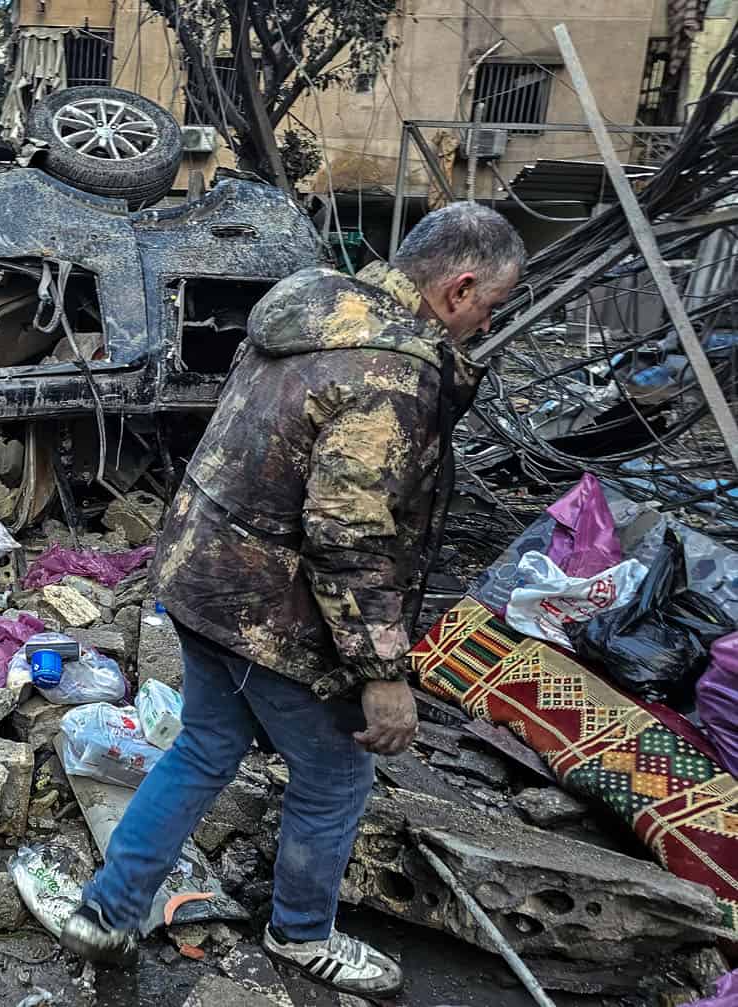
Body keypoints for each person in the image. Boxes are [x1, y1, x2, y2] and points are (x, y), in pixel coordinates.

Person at [59, 203, 526, 996]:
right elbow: (350, 535)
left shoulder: (318, 302)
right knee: (337, 771)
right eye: (491, 305)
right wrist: (382, 673)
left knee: (207, 746)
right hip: (263, 604)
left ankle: (104, 913)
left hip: (200, 574)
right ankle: (302, 932)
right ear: (460, 287)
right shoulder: (392, 374)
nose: (488, 322)